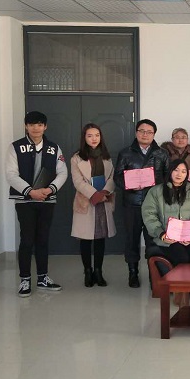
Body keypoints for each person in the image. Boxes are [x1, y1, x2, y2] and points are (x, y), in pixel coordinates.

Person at [5, 111, 68, 297]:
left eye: (40, 124)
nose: (35, 128)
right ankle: (24, 280)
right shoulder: (15, 147)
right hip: (25, 200)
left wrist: (50, 190)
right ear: (26, 126)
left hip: (47, 200)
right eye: (32, 124)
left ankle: (43, 278)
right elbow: (11, 174)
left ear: (45, 127)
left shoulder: (54, 148)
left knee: (43, 239)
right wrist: (30, 191)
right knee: (27, 239)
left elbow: (63, 172)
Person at [142, 159, 190, 306]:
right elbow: (149, 215)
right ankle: (181, 295)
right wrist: (161, 234)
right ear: (170, 171)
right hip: (167, 239)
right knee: (181, 256)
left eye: (183, 171)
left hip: (189, 238)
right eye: (176, 170)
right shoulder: (156, 191)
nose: (179, 174)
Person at [114, 119, 169, 288]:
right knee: (131, 239)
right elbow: (117, 177)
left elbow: (168, 177)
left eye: (149, 132)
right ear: (136, 132)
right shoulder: (125, 153)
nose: (145, 134)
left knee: (154, 240)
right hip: (132, 203)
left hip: (154, 205)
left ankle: (155, 275)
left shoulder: (162, 153)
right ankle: (133, 273)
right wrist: (129, 185)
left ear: (154, 134)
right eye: (142, 131)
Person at [70, 123, 116, 288]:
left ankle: (98, 271)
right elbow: (78, 182)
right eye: (90, 136)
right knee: (85, 239)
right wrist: (95, 195)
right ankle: (88, 271)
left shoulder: (107, 157)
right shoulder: (76, 158)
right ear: (84, 138)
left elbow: (112, 178)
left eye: (97, 135)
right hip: (86, 201)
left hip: (104, 201)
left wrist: (104, 192)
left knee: (100, 239)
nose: (94, 138)